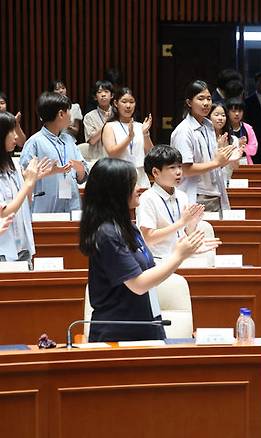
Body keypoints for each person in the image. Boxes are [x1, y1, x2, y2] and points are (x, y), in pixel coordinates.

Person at [79, 158, 217, 342]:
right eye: (133, 183)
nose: (139, 188)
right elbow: (138, 284)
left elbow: (149, 271)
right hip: (120, 333)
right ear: (116, 191)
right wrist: (178, 255)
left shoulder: (129, 227)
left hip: (146, 322)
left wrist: (184, 251)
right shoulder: (107, 233)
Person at [170, 80, 235, 214]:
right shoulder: (184, 130)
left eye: (209, 98)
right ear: (189, 103)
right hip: (196, 195)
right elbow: (185, 169)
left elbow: (212, 162)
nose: (206, 103)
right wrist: (217, 162)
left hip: (214, 191)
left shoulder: (208, 126)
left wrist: (225, 158)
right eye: (200, 99)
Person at [20, 92, 89, 213]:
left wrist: (79, 168)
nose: (71, 115)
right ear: (61, 114)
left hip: (72, 206)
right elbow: (24, 179)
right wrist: (47, 172)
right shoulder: (34, 142)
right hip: (44, 208)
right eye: (69, 111)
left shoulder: (69, 140)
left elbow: (82, 176)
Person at [136, 145, 207, 259]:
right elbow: (148, 237)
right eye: (172, 167)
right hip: (159, 260)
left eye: (179, 166)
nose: (178, 172)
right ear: (155, 172)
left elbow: (186, 232)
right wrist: (182, 222)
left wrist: (191, 224)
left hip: (182, 256)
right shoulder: (147, 198)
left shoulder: (182, 196)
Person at [0, 112, 52, 264]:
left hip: (23, 244)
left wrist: (32, 180)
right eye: (11, 131)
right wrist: (28, 183)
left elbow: (26, 202)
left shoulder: (14, 165)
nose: (16, 136)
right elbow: (4, 213)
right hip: (4, 248)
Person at [101, 86, 154, 188]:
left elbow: (151, 154)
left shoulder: (140, 126)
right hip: (118, 174)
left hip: (141, 175)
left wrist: (145, 134)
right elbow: (112, 153)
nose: (128, 106)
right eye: (124, 102)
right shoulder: (110, 126)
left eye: (131, 102)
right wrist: (129, 138)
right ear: (116, 103)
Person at [209, 101, 245, 183]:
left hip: (227, 181)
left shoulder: (233, 139)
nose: (220, 118)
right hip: (209, 183)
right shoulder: (204, 138)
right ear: (208, 117)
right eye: (216, 115)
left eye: (223, 115)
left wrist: (235, 158)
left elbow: (235, 168)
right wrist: (220, 148)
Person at [83, 80, 114, 159]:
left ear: (112, 95)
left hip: (117, 159)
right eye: (99, 92)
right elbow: (92, 141)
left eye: (106, 91)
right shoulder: (89, 117)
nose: (103, 94)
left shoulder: (118, 114)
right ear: (95, 97)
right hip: (97, 160)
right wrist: (106, 124)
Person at [225, 98, 258, 165]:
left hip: (245, 162)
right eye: (233, 111)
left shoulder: (248, 127)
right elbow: (222, 149)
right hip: (228, 164)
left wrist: (242, 147)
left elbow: (254, 149)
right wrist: (238, 144)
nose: (237, 114)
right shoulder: (224, 128)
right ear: (228, 112)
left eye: (240, 111)